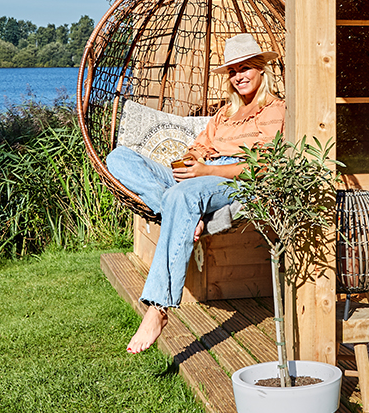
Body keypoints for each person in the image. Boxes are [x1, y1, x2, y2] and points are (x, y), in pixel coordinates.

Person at [107, 33, 285, 353]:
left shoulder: (274, 110)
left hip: (231, 177)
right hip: (200, 175)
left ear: (261, 70)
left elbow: (263, 167)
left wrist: (207, 172)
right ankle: (185, 214)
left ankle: (158, 308)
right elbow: (199, 146)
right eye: (233, 71)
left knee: (182, 197)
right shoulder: (223, 114)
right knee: (119, 159)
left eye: (246, 68)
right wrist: (190, 162)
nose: (239, 76)